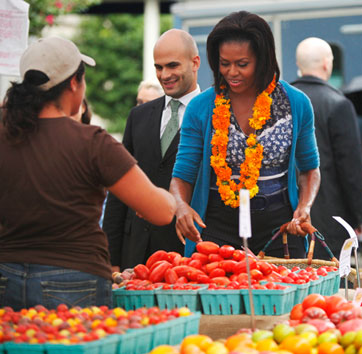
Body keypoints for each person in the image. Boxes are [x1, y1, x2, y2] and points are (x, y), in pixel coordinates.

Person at [0, 36, 176, 310]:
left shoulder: (5, 133)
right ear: (74, 83)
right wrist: (170, 197)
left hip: (5, 275)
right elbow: (162, 212)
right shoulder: (92, 142)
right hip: (74, 280)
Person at [170, 11, 321, 257]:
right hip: (217, 227)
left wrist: (304, 207)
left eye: (242, 64)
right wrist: (180, 206)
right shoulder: (201, 107)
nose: (232, 73)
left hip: (279, 228)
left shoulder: (297, 103)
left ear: (263, 60)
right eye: (224, 63)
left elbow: (309, 169)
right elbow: (181, 176)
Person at [103, 29, 201, 271]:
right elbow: (118, 190)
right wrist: (111, 259)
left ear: (195, 63)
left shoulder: (214, 113)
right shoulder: (138, 116)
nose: (164, 75)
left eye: (172, 66)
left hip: (189, 257)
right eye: (158, 67)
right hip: (135, 254)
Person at [290, 37, 362, 259]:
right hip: (330, 218)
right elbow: (351, 167)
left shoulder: (282, 101)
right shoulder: (338, 104)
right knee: (332, 287)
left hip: (288, 216)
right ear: (327, 64)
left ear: (299, 65)